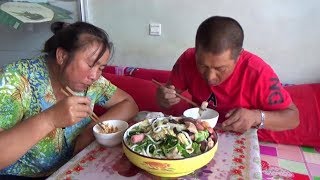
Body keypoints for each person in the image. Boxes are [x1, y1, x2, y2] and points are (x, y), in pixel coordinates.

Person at [0, 21, 138, 178]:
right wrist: (49, 119)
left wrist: (90, 131)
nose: (94, 75)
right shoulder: (16, 80)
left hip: (71, 168)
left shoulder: (92, 82)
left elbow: (129, 104)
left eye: (100, 68)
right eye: (90, 64)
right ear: (62, 56)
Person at [156, 16, 299, 133]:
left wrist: (256, 116)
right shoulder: (188, 58)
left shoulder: (258, 72)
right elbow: (168, 97)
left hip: (241, 139)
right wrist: (163, 98)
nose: (210, 77)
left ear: (238, 57)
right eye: (203, 66)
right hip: (199, 133)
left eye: (220, 69)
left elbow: (293, 117)